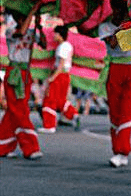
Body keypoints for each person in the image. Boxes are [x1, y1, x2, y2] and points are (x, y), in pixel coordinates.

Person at [99, 0, 131, 168]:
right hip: (115, 69)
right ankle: (117, 150)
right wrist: (122, 25)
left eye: (122, 9)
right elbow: (114, 44)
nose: (118, 12)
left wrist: (128, 22)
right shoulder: (105, 26)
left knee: (126, 111)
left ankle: (123, 150)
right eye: (116, 8)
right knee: (115, 112)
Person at [0, 11, 46, 159]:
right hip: (14, 72)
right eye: (21, 16)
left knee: (15, 110)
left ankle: (3, 145)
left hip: (26, 72)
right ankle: (30, 147)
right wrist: (32, 12)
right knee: (19, 110)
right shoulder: (10, 31)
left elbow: (44, 44)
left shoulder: (32, 32)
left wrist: (39, 27)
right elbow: (20, 34)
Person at [39, 25, 79, 133]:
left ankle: (49, 126)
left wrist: (52, 77)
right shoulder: (68, 46)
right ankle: (73, 114)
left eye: (56, 34)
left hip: (59, 75)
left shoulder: (62, 47)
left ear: (60, 35)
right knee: (60, 100)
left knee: (49, 99)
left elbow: (61, 64)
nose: (54, 36)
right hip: (65, 76)